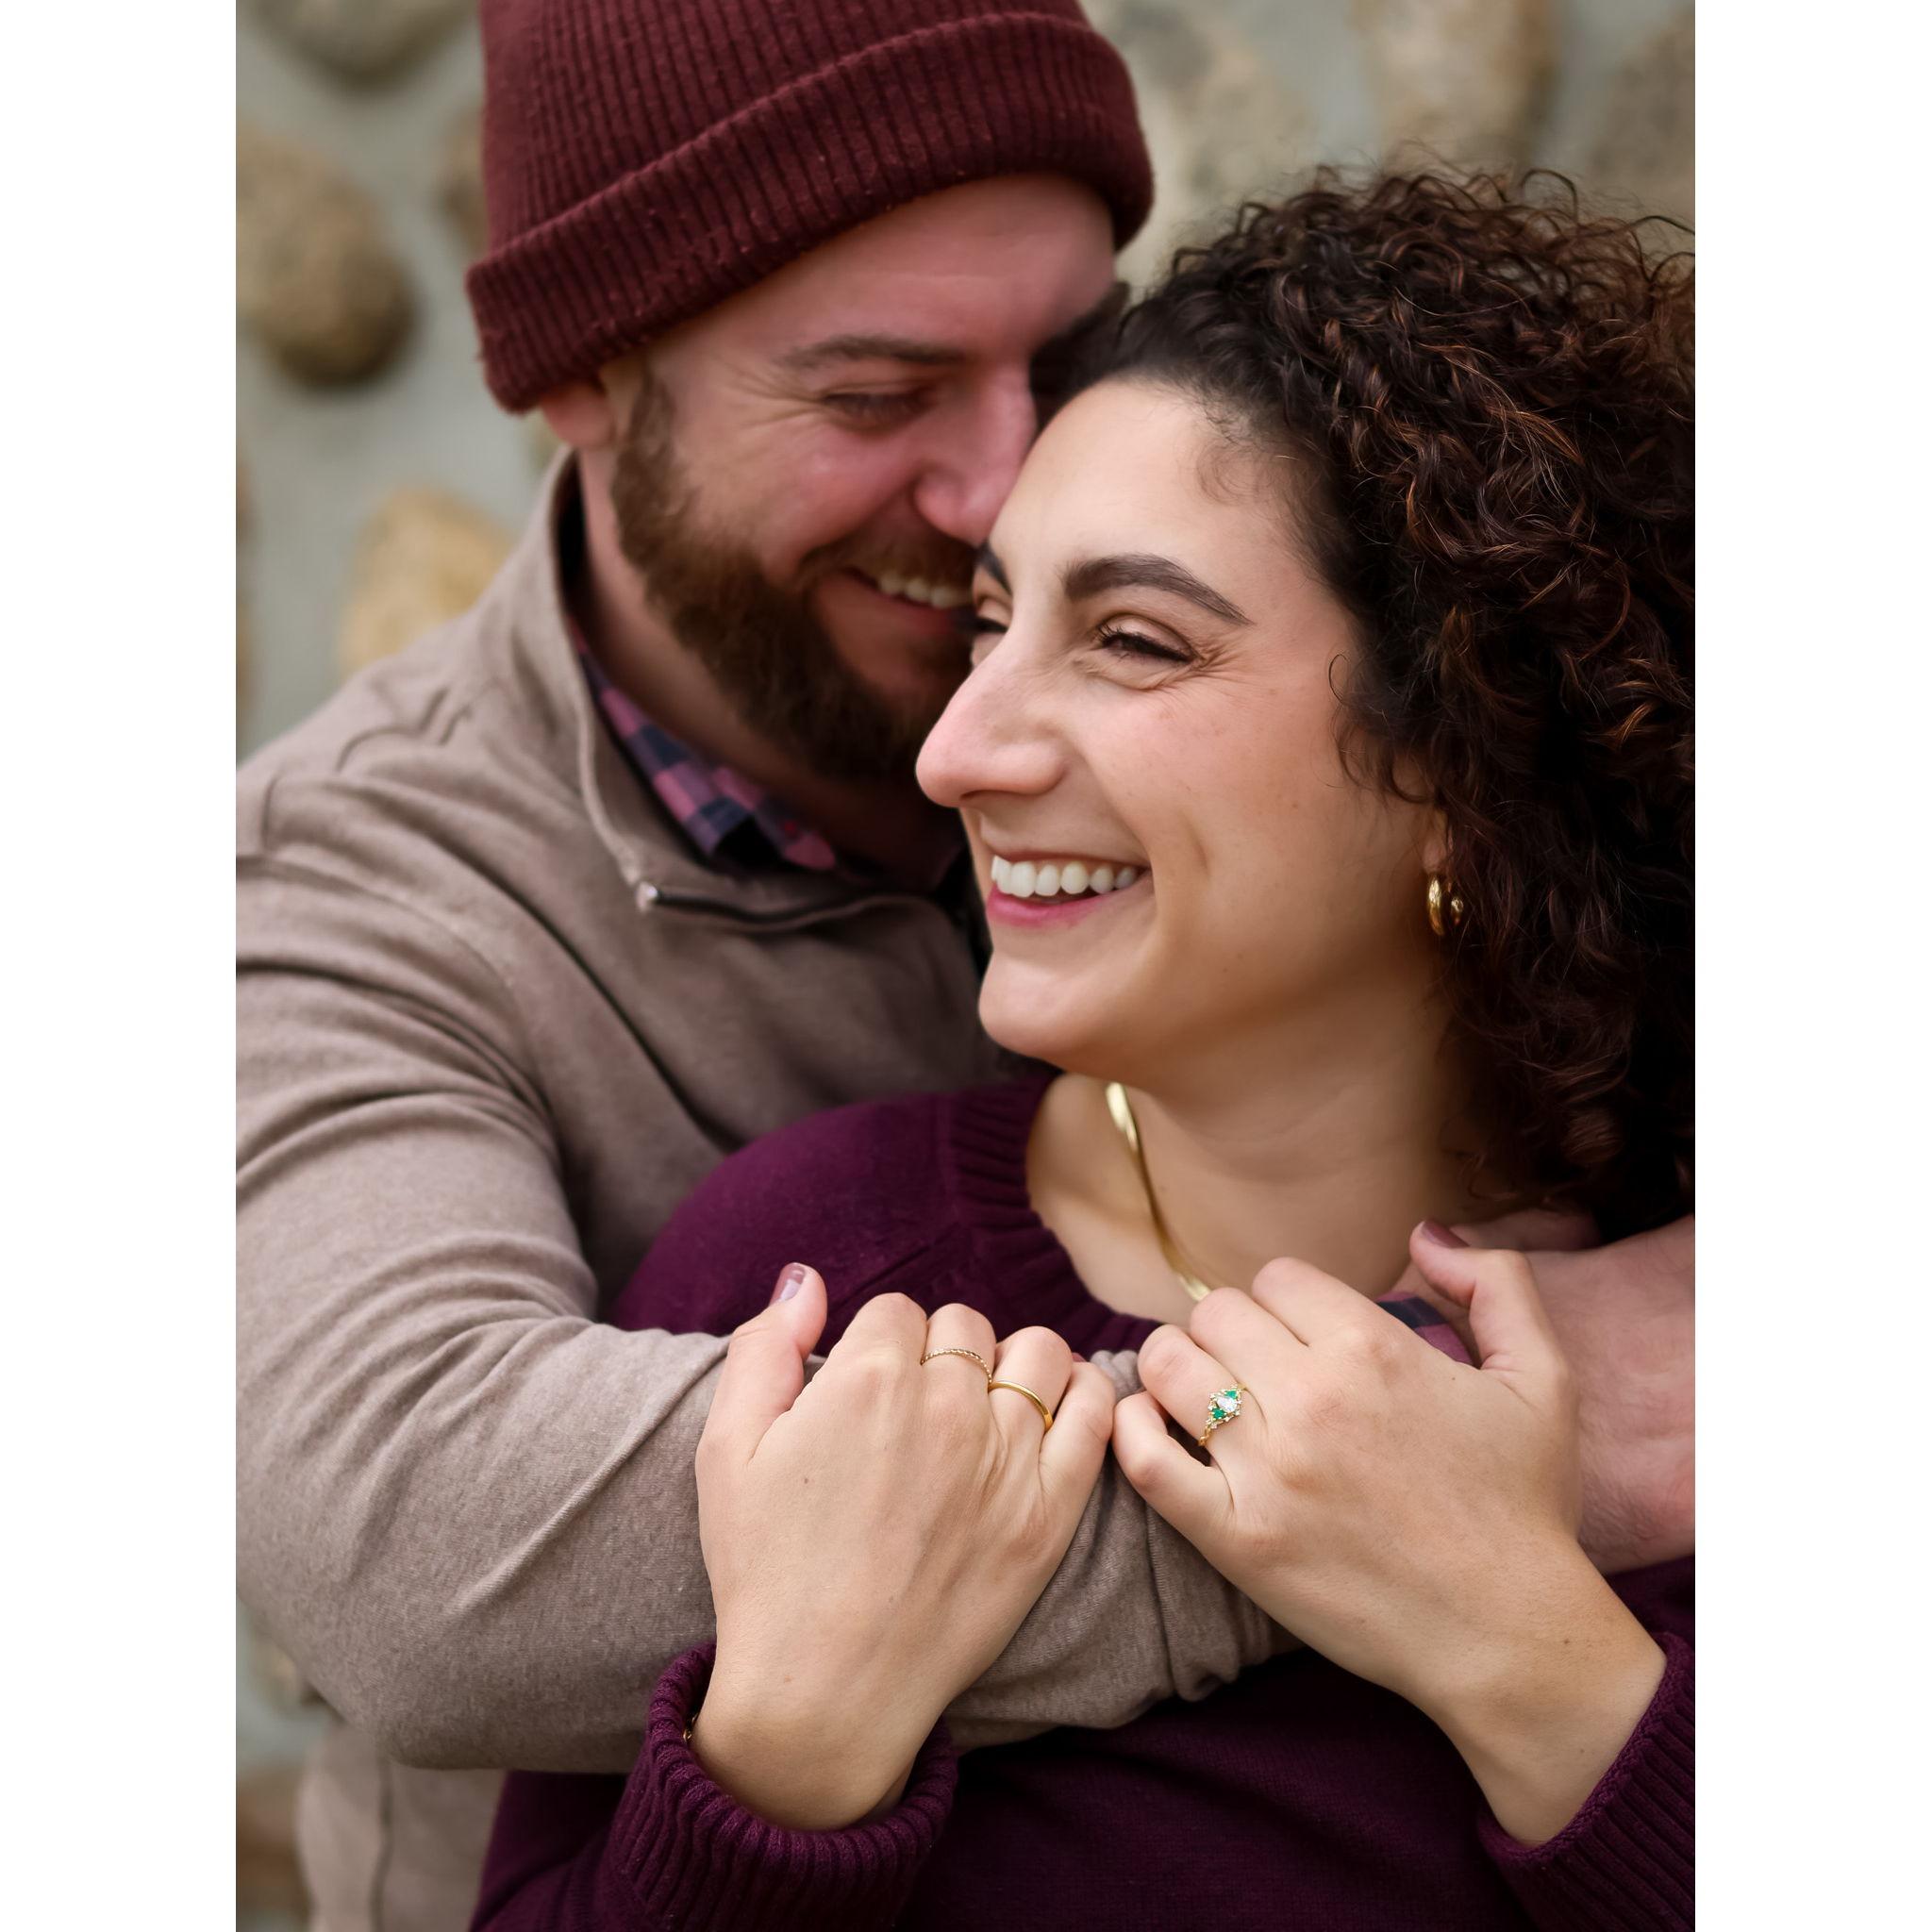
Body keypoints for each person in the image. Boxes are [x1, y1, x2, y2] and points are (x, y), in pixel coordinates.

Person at [235, 3, 1693, 1924]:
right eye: (875, 391)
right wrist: (1411, 1460)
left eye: (1062, 363)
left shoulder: (1630, 1057)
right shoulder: (330, 896)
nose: (999, 476)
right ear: (584, 376)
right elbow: (419, 1554)